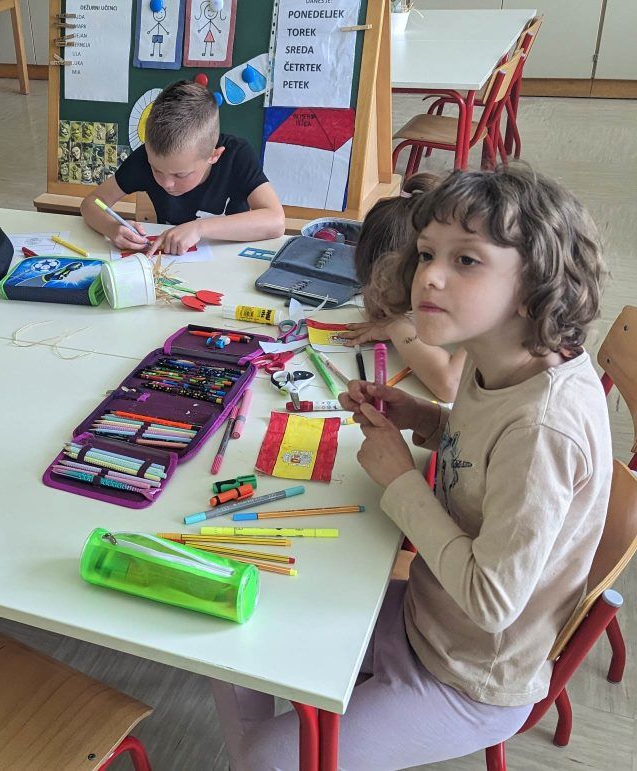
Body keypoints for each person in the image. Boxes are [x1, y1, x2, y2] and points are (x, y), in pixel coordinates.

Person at [211, 164, 611, 770]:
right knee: (229, 606)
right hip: (425, 615)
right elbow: (484, 450)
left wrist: (400, 480)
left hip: (468, 677)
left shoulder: (543, 429)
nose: (430, 275)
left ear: (536, 285)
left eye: (466, 260)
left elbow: (492, 601)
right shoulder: (499, 358)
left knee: (264, 759)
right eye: (427, 254)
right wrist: (425, 418)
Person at [82, 80, 285, 255]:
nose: (167, 183)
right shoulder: (146, 157)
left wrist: (198, 228)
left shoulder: (237, 156)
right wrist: (112, 228)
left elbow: (276, 221)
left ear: (213, 156)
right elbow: (91, 203)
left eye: (180, 175)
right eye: (156, 170)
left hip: (227, 261)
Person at [338, 173, 466, 402]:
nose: (378, 292)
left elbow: (451, 385)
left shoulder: (491, 298)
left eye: (387, 282)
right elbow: (378, 310)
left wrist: (396, 327)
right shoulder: (442, 278)